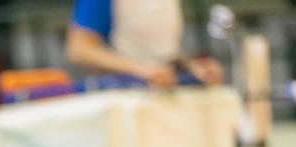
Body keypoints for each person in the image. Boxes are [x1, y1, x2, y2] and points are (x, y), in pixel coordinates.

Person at [66, 0, 223, 89]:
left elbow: (164, 52)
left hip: (162, 99)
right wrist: (141, 71)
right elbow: (79, 50)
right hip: (123, 104)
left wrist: (194, 69)